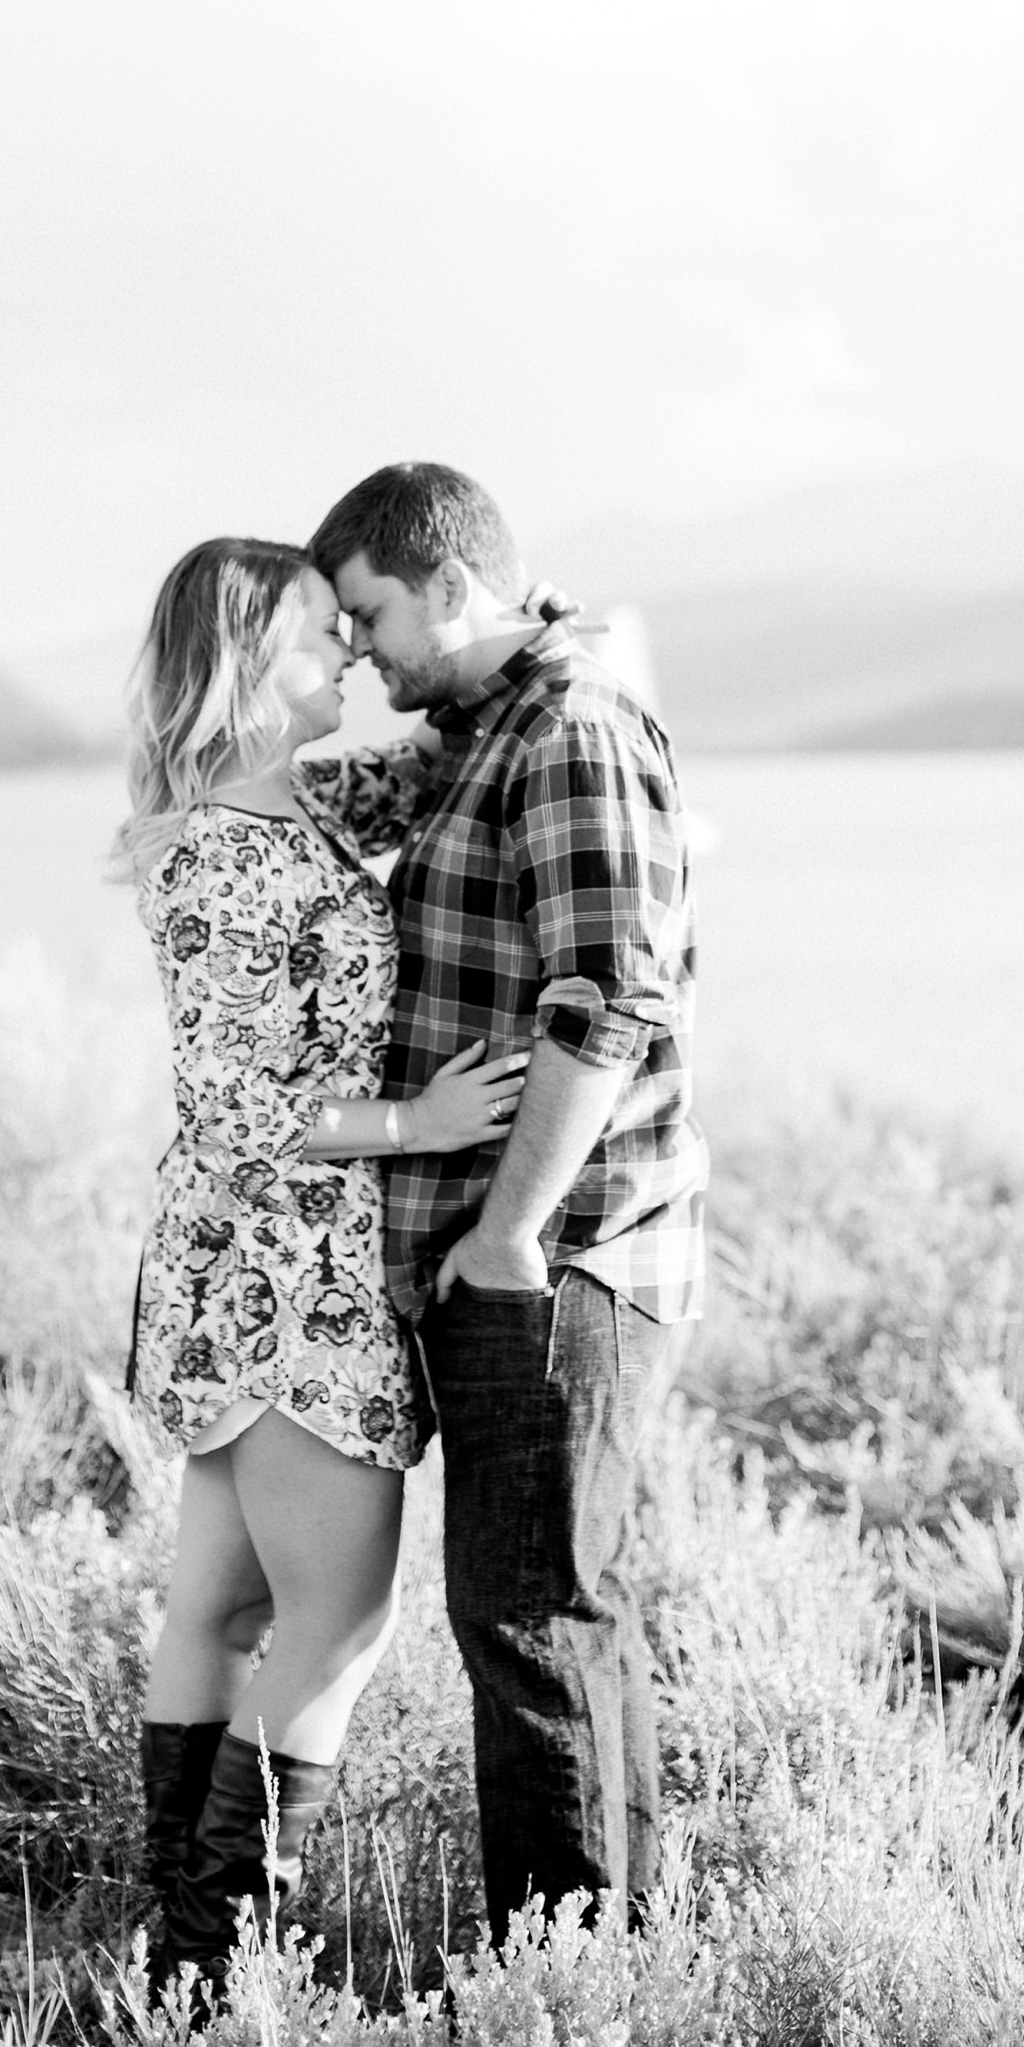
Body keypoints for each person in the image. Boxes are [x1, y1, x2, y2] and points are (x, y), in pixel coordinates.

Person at [117, 536, 528, 1993]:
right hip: (290, 1275)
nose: (346, 656)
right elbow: (234, 1104)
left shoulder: (308, 800)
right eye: (312, 638)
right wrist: (416, 1121)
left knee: (222, 1610)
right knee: (337, 1625)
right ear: (241, 668)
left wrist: (552, 644)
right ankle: (221, 1960)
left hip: (258, 1265)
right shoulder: (227, 848)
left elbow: (459, 743)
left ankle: (187, 1959)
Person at [307, 460, 707, 1944]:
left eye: (369, 614)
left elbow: (605, 1004)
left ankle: (571, 1994)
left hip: (562, 1253)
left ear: (452, 585)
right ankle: (611, 1968)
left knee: (531, 1617)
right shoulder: (489, 723)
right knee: (545, 1615)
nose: (358, 652)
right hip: (518, 1252)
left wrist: (507, 1233)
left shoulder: (574, 726)